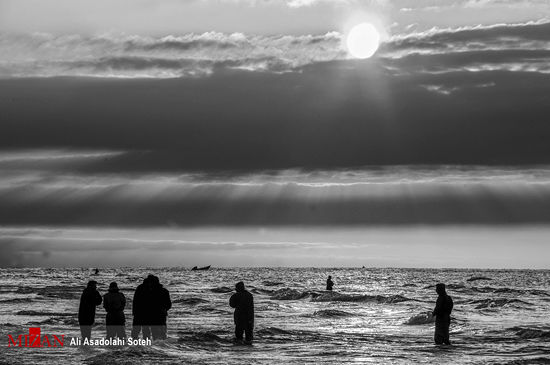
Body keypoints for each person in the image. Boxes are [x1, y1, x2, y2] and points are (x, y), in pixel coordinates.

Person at [148, 275, 172, 340]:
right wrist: (164, 309)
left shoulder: (150, 292)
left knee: (154, 333)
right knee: (163, 332)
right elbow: (169, 304)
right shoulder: (165, 291)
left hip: (154, 315)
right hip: (162, 314)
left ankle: (157, 347)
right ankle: (163, 347)